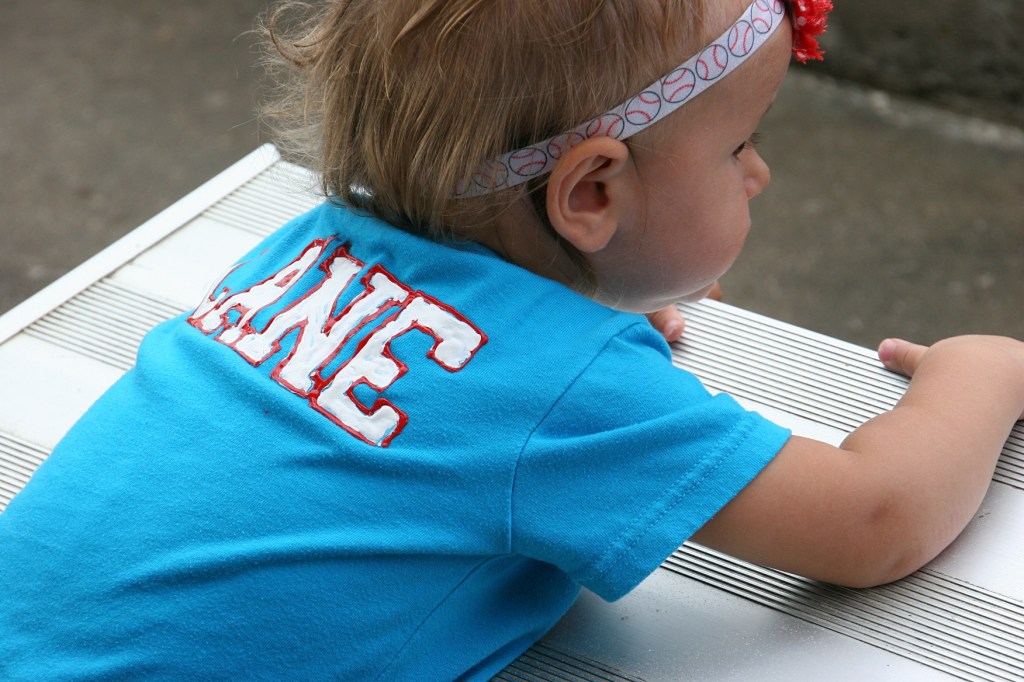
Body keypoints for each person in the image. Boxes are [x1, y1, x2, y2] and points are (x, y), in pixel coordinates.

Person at [1, 0, 1022, 679]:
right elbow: (874, 520)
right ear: (591, 192)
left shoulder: (303, 247)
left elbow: (434, 397)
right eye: (740, 146)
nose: (755, 176)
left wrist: (581, 324)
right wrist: (983, 374)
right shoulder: (560, 394)